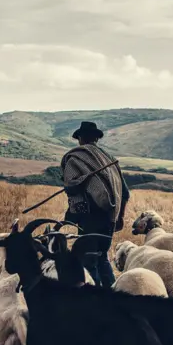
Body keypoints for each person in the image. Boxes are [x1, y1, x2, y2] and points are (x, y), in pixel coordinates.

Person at [61, 121, 130, 288]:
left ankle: (95, 299)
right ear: (96, 139)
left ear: (80, 138)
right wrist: (119, 217)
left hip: (89, 219)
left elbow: (71, 188)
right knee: (102, 258)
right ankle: (113, 297)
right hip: (109, 219)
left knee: (88, 261)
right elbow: (125, 193)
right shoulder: (110, 160)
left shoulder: (74, 158)